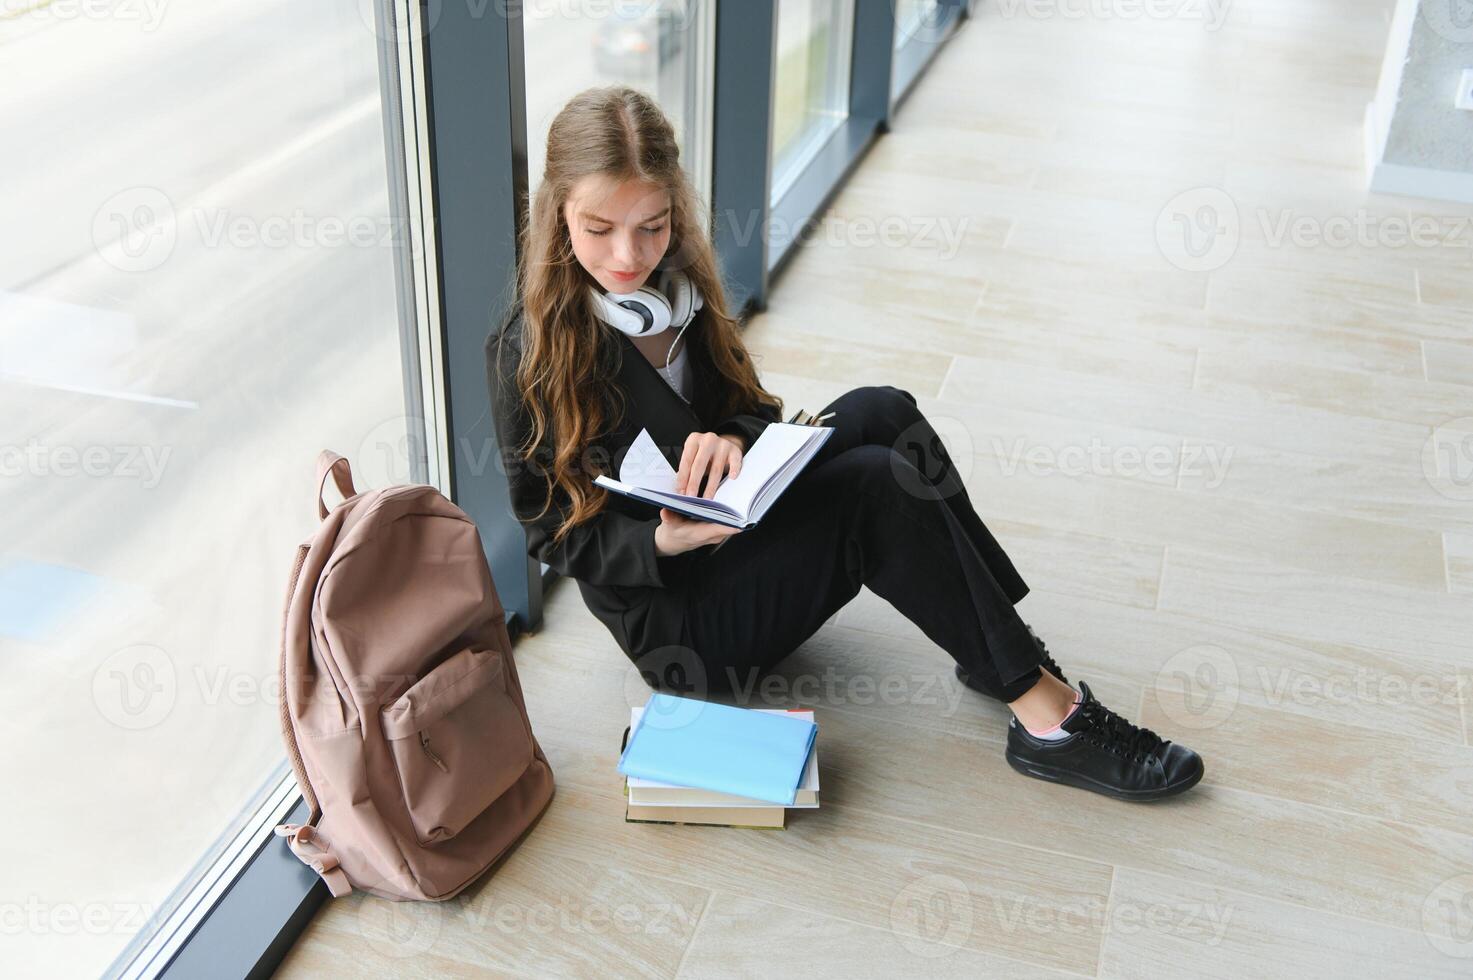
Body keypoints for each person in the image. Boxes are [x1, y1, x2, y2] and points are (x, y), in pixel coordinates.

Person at [484, 86, 1203, 802]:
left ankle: (999, 652)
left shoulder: (678, 293)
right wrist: (662, 544)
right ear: (557, 214)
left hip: (739, 529)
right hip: (682, 624)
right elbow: (546, 532)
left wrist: (734, 437)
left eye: (652, 226)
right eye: (599, 228)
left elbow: (751, 408)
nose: (627, 257)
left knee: (880, 410)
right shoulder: (527, 351)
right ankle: (1046, 724)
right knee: (872, 485)